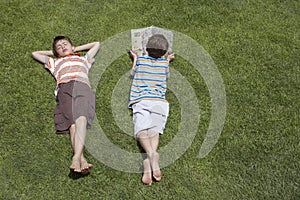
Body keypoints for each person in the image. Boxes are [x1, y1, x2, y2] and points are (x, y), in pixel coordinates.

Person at [32, 36, 100, 174]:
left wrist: (75, 49)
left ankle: (76, 157)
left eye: (65, 44)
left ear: (72, 46)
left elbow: (96, 44)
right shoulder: (55, 62)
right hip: (65, 89)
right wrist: (55, 53)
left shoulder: (83, 59)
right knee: (72, 124)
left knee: (81, 118)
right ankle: (82, 158)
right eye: (59, 47)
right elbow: (35, 54)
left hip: (82, 86)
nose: (62, 46)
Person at [129, 34, 174, 185]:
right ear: (165, 52)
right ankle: (152, 157)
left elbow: (132, 73)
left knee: (141, 129)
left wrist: (135, 57)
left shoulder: (141, 60)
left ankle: (150, 155)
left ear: (146, 49)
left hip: (141, 100)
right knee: (154, 129)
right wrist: (167, 60)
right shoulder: (164, 64)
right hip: (160, 102)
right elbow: (166, 76)